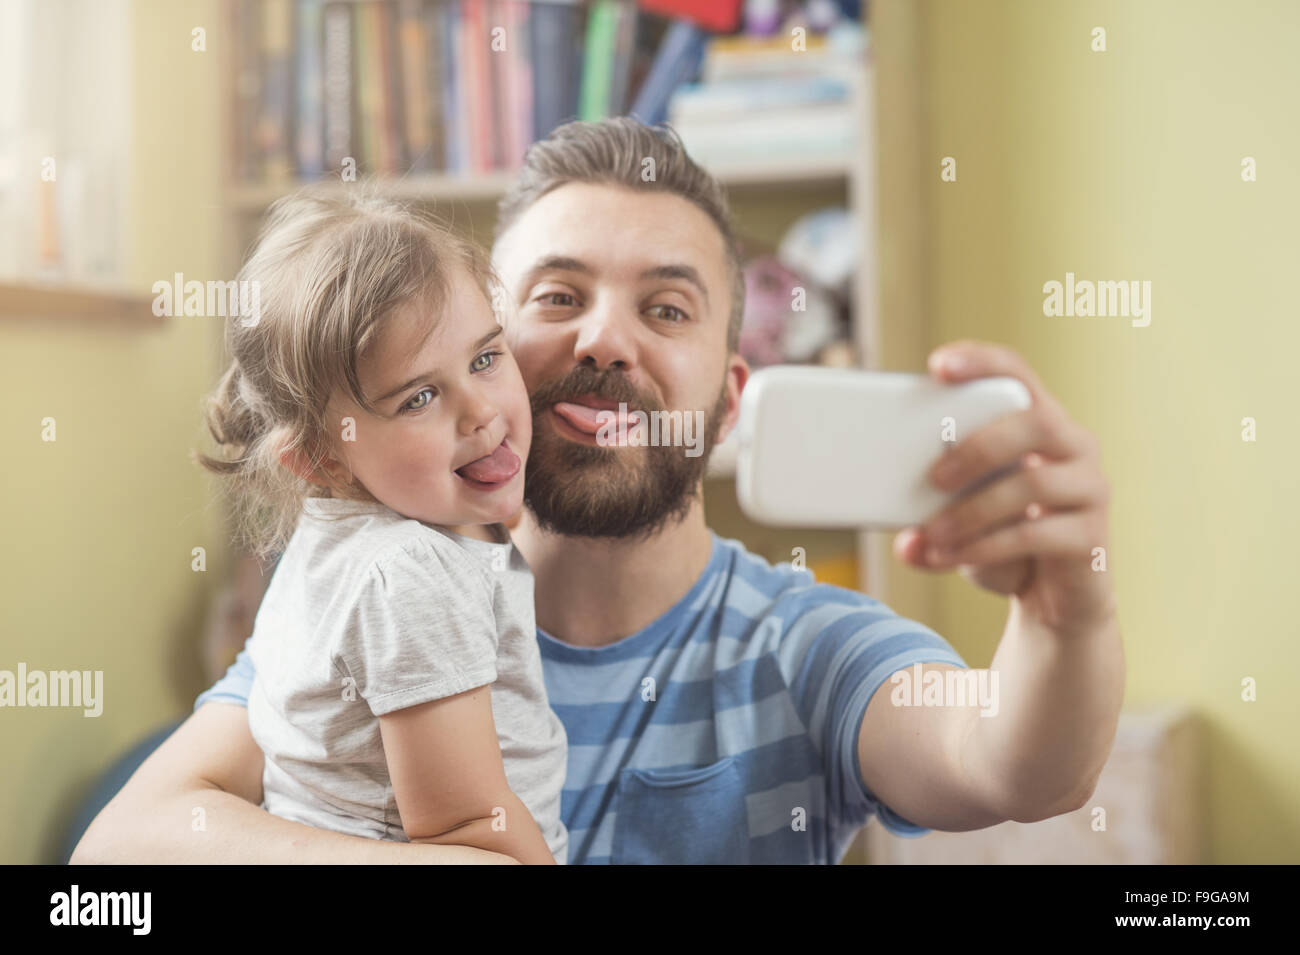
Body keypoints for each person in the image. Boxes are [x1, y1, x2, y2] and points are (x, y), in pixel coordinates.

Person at [73, 118, 1123, 865]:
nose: (604, 338)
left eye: (666, 310)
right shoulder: (372, 597)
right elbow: (118, 853)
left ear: (726, 400)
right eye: (556, 295)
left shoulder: (806, 646)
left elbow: (1011, 762)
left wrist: (1066, 614)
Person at [195, 191, 566, 863]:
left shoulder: (344, 520)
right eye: (419, 397)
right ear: (319, 457)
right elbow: (466, 826)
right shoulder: (410, 573)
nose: (481, 411)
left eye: (485, 357)